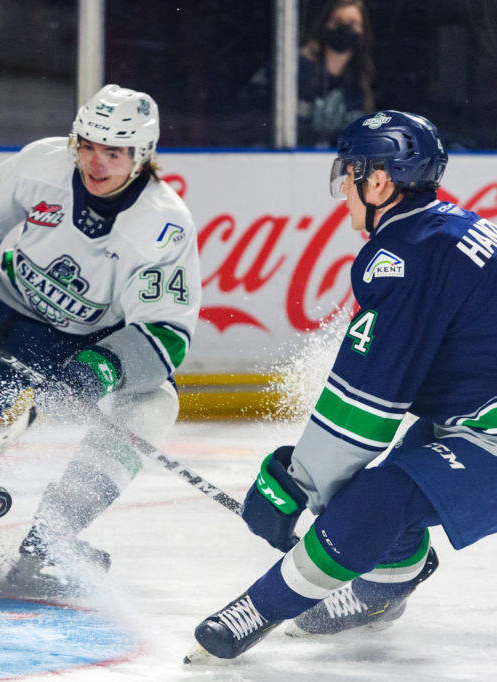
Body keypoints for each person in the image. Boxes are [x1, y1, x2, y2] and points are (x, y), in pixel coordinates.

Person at [188, 110, 497, 661]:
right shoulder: (447, 229)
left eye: (351, 171)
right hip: (474, 413)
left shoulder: (406, 257)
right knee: (373, 496)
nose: (343, 189)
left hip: (487, 425)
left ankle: (257, 609)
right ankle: (384, 590)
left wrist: (296, 484)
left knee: (377, 496)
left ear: (379, 181)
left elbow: (368, 403)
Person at [0, 84, 202, 585]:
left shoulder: (164, 225)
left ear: (142, 157)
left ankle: (51, 537)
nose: (96, 163)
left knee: (153, 405)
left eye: (114, 152)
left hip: (92, 345)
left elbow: (166, 333)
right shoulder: (43, 163)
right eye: (88, 146)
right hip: (7, 319)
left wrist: (102, 367)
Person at [237, 0, 375, 148]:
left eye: (353, 23)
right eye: (338, 21)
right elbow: (248, 108)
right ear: (325, 24)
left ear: (363, 32)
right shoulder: (292, 68)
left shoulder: (361, 81)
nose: (345, 28)